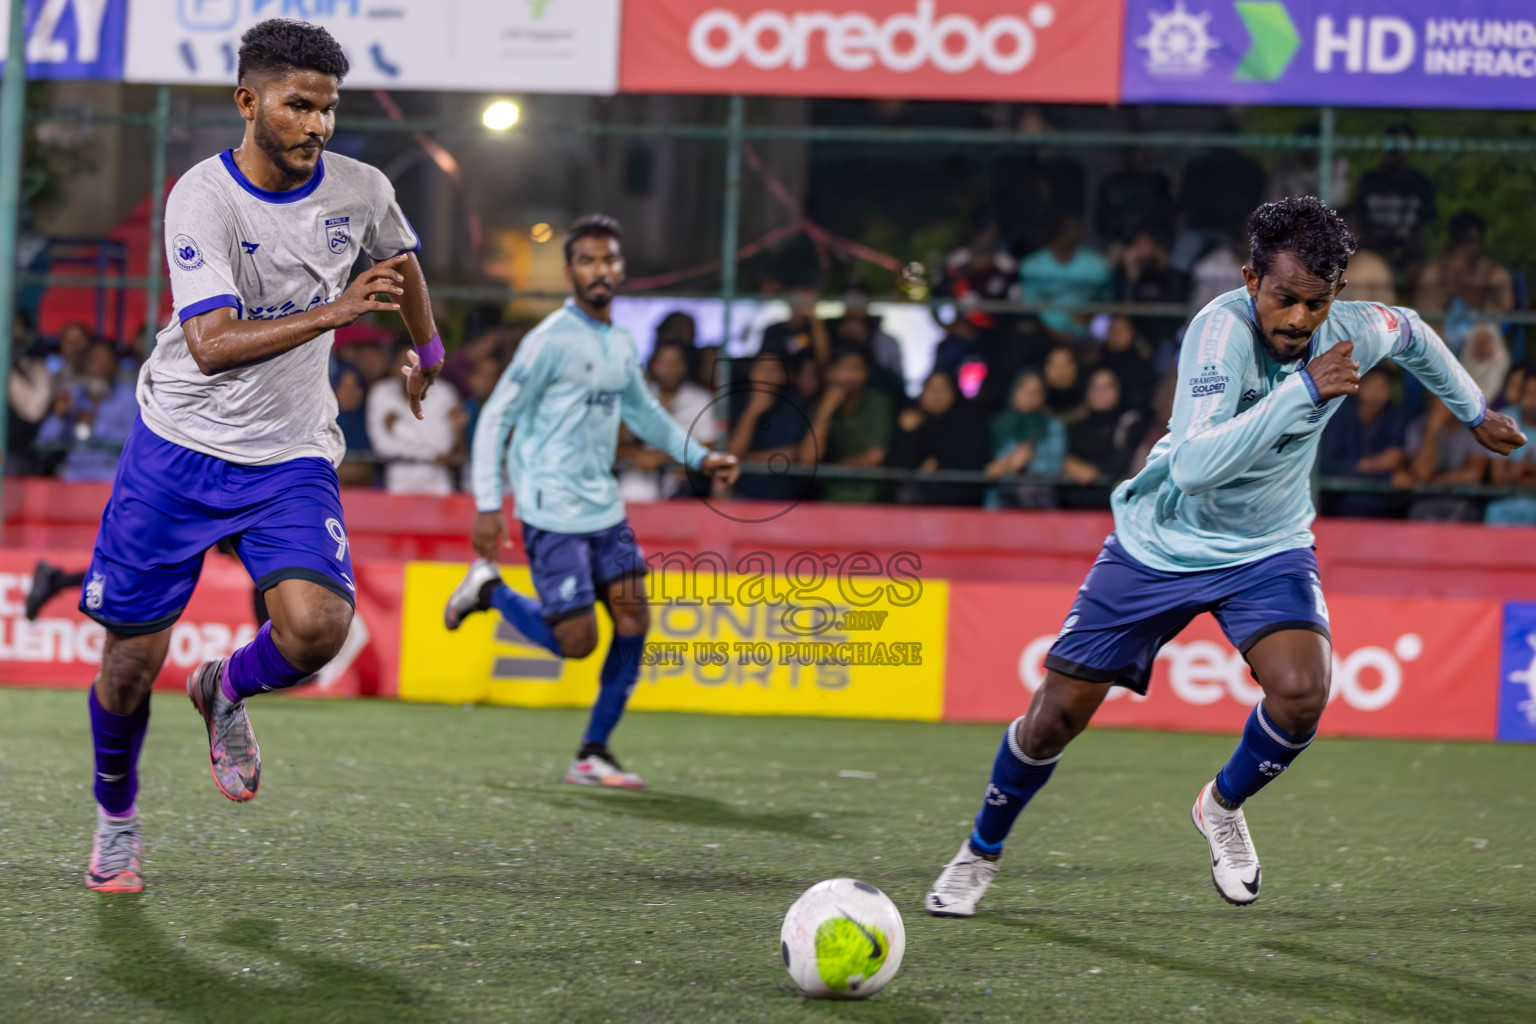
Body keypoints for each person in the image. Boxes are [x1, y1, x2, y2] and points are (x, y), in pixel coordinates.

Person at [926, 196, 1526, 918]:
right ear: (1250, 280)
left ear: (1337, 294)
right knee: (1054, 718)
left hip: (1268, 546)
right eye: (1283, 299)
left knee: (1303, 692)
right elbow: (1195, 468)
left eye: (1314, 302)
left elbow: (1417, 336)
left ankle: (1222, 805)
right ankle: (979, 851)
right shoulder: (1217, 334)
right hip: (1161, 542)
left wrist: (1474, 413)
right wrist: (1301, 392)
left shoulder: (1355, 330)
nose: (1298, 320)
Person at [77, 20, 442, 895]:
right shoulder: (202, 197)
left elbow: (402, 261)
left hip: (288, 455)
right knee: (129, 667)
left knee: (319, 628)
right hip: (180, 448)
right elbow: (208, 343)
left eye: (328, 109)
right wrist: (335, 313)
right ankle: (116, 818)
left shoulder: (360, 188)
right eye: (298, 105)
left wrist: (426, 352)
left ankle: (224, 686)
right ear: (249, 101)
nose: (317, 125)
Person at [441, 215, 739, 788]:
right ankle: (490, 591)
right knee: (577, 643)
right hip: (551, 512)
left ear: (620, 268)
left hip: (604, 508)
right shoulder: (549, 340)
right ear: (570, 270)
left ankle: (593, 752)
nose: (600, 270)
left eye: (608, 260)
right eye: (587, 260)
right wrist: (487, 504)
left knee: (634, 617)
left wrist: (701, 457)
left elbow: (645, 414)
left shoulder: (620, 342)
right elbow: (495, 417)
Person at [617, 339, 719, 503]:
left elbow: (710, 447)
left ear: (686, 366)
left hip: (685, 484)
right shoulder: (638, 398)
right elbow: (615, 445)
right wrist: (639, 455)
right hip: (638, 480)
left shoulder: (700, 399)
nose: (670, 369)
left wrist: (663, 457)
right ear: (653, 364)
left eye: (676, 362)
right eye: (663, 362)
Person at [798, 346, 895, 505]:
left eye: (855, 368)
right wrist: (824, 413)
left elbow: (875, 456)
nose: (848, 375)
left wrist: (829, 471)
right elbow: (808, 460)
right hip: (829, 496)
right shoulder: (819, 403)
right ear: (829, 373)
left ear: (866, 373)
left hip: (870, 496)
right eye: (842, 367)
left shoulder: (879, 401)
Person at [367, 338, 465, 495]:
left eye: (416, 363)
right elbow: (384, 447)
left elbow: (445, 445)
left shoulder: (445, 392)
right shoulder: (381, 393)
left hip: (439, 487)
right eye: (404, 362)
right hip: (399, 488)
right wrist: (432, 454)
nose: (410, 369)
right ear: (392, 366)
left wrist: (399, 429)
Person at [35, 340, 139, 482]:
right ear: (85, 366)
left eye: (105, 362)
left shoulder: (128, 396)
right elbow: (44, 442)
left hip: (112, 474)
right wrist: (58, 416)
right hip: (73, 473)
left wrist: (96, 423)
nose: (99, 369)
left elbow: (134, 441)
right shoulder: (72, 395)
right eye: (94, 362)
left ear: (114, 367)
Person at [886, 369, 990, 507]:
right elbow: (897, 468)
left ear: (954, 392)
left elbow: (976, 461)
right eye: (931, 388)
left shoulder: (969, 421)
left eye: (944, 389)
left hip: (961, 504)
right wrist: (908, 433)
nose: (937, 395)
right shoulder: (910, 420)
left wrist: (940, 463)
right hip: (913, 506)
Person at [1318, 367, 1407, 518]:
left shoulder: (1394, 416)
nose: (1376, 394)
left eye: (1382, 388)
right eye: (1371, 386)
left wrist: (1360, 469)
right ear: (1358, 387)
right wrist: (1368, 465)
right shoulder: (1340, 414)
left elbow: (1394, 463)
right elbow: (1327, 465)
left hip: (1383, 502)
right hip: (1340, 502)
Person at [726, 354, 810, 502]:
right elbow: (733, 454)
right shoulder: (735, 402)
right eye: (761, 368)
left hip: (786, 494)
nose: (767, 375)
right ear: (751, 373)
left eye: (774, 369)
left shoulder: (795, 404)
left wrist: (747, 458)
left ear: (785, 376)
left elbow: (794, 455)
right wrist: (753, 411)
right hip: (745, 492)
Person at [1019, 216, 1111, 340]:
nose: (1069, 233)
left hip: (1089, 335)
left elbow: (1107, 302)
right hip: (1042, 335)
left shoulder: (1096, 265)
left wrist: (1090, 315)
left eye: (1072, 228)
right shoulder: (1031, 266)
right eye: (1065, 229)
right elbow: (1028, 308)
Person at [1061, 368, 1144, 488]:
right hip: (1075, 498)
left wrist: (1095, 473)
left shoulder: (1130, 424)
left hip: (1114, 495)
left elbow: (1124, 465)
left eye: (1106, 387)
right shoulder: (1075, 427)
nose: (1100, 393)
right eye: (1095, 387)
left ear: (1119, 389)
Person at [1487, 373, 1536, 524]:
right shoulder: (1505, 420)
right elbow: (1499, 479)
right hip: (1505, 502)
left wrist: (1519, 470)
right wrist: (1522, 470)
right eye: (1529, 394)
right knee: (1494, 511)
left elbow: (1507, 476)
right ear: (1520, 395)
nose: (1533, 401)